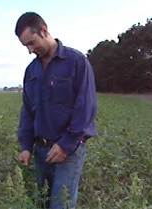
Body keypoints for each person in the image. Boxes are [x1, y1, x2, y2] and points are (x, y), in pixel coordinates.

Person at [15, 12, 98, 209]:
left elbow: (86, 108)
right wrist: (26, 146)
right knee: (41, 203)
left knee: (61, 205)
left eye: (32, 43)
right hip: (40, 150)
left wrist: (66, 144)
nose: (30, 50)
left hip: (68, 151)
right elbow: (27, 111)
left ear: (44, 31)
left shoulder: (76, 61)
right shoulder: (31, 71)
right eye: (26, 45)